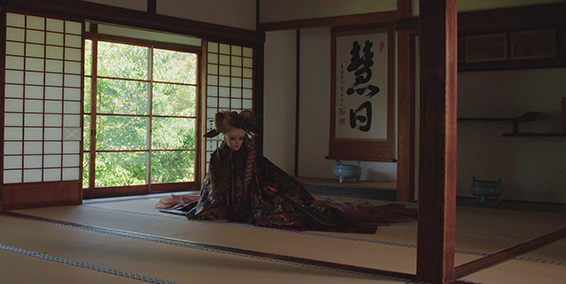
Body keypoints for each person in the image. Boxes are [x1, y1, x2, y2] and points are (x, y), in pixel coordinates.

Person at [157, 110, 415, 233]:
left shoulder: (251, 154)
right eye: (232, 139)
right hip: (226, 200)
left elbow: (272, 173)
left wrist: (288, 188)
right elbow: (213, 185)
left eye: (239, 138)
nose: (236, 142)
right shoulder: (218, 157)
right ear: (224, 138)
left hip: (254, 197)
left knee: (285, 209)